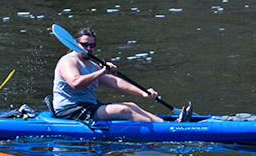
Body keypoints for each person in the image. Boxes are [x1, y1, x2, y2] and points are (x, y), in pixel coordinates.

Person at [52, 27, 191, 123]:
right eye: (85, 45)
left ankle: (169, 124)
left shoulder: (91, 65)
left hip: (88, 106)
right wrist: (102, 71)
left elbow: (116, 82)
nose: (89, 49)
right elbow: (75, 83)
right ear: (76, 44)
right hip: (70, 110)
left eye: (92, 46)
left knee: (131, 105)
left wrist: (144, 93)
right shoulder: (68, 61)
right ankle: (170, 128)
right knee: (124, 110)